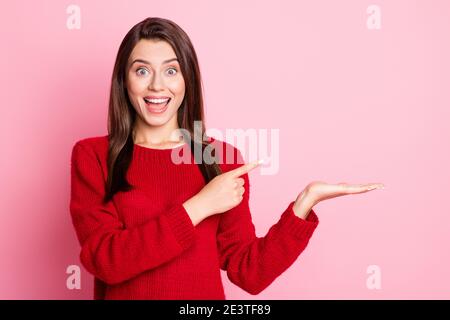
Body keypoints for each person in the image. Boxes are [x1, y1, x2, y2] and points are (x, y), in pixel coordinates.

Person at [69, 17, 385, 300]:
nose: (157, 85)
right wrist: (200, 206)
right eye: (142, 70)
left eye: (171, 70)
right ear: (125, 81)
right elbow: (105, 261)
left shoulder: (221, 159)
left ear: (186, 80)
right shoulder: (93, 156)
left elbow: (249, 272)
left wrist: (304, 204)